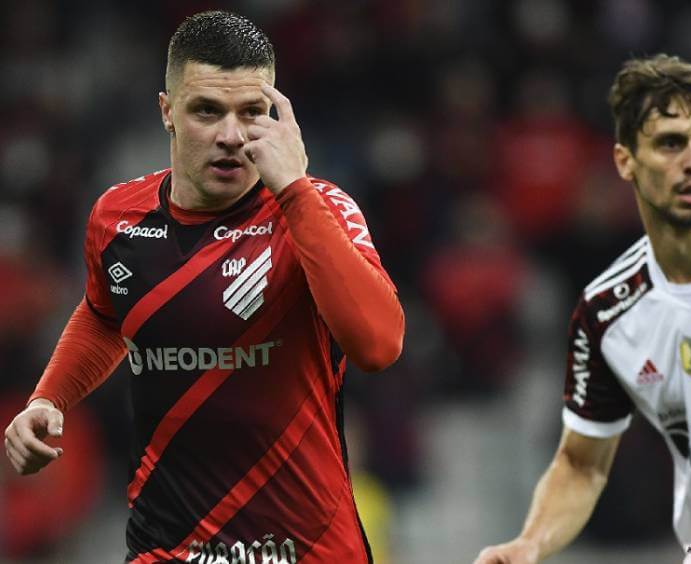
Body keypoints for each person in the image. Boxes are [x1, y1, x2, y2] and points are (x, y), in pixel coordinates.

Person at [3, 10, 404, 564]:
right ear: (167, 112)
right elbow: (104, 315)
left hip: (302, 551)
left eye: (252, 113)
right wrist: (50, 396)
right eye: (207, 111)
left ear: (278, 116)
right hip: (168, 549)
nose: (232, 136)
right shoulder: (117, 218)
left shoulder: (321, 211)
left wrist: (293, 189)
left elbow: (378, 346)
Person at [474, 54, 691, 564]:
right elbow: (583, 465)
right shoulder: (607, 312)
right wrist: (531, 542)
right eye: (670, 143)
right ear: (626, 161)